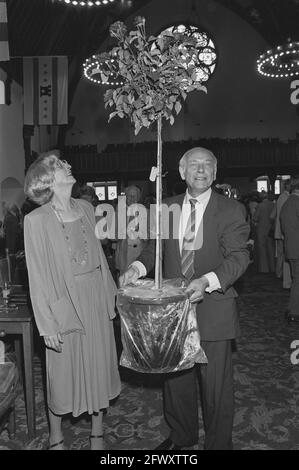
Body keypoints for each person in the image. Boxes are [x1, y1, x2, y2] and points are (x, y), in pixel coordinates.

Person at [120, 147, 250, 450]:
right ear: (182, 172)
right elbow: (156, 249)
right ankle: (182, 435)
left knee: (215, 386)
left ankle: (218, 444)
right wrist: (136, 267)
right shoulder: (167, 207)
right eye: (194, 165)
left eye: (207, 165)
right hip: (173, 311)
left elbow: (239, 257)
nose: (201, 170)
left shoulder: (231, 210)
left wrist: (207, 281)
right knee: (175, 379)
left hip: (213, 306)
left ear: (216, 173)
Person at [23, 151, 121, 450]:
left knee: (99, 365)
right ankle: (55, 436)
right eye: (60, 165)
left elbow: (100, 258)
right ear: (49, 179)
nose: (68, 166)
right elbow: (36, 275)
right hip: (62, 302)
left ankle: (97, 433)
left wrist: (112, 296)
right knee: (61, 374)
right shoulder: (35, 220)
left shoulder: (88, 208)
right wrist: (46, 323)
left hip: (94, 296)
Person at [280, 177, 299, 322]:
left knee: (296, 280)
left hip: (292, 247)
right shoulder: (296, 203)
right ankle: (294, 311)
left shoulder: (287, 203)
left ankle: (292, 310)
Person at [270, 180, 292, 288]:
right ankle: (280, 274)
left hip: (280, 230)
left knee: (280, 254)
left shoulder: (281, 197)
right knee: (282, 255)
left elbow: (273, 215)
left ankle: (279, 273)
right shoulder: (285, 197)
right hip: (283, 231)